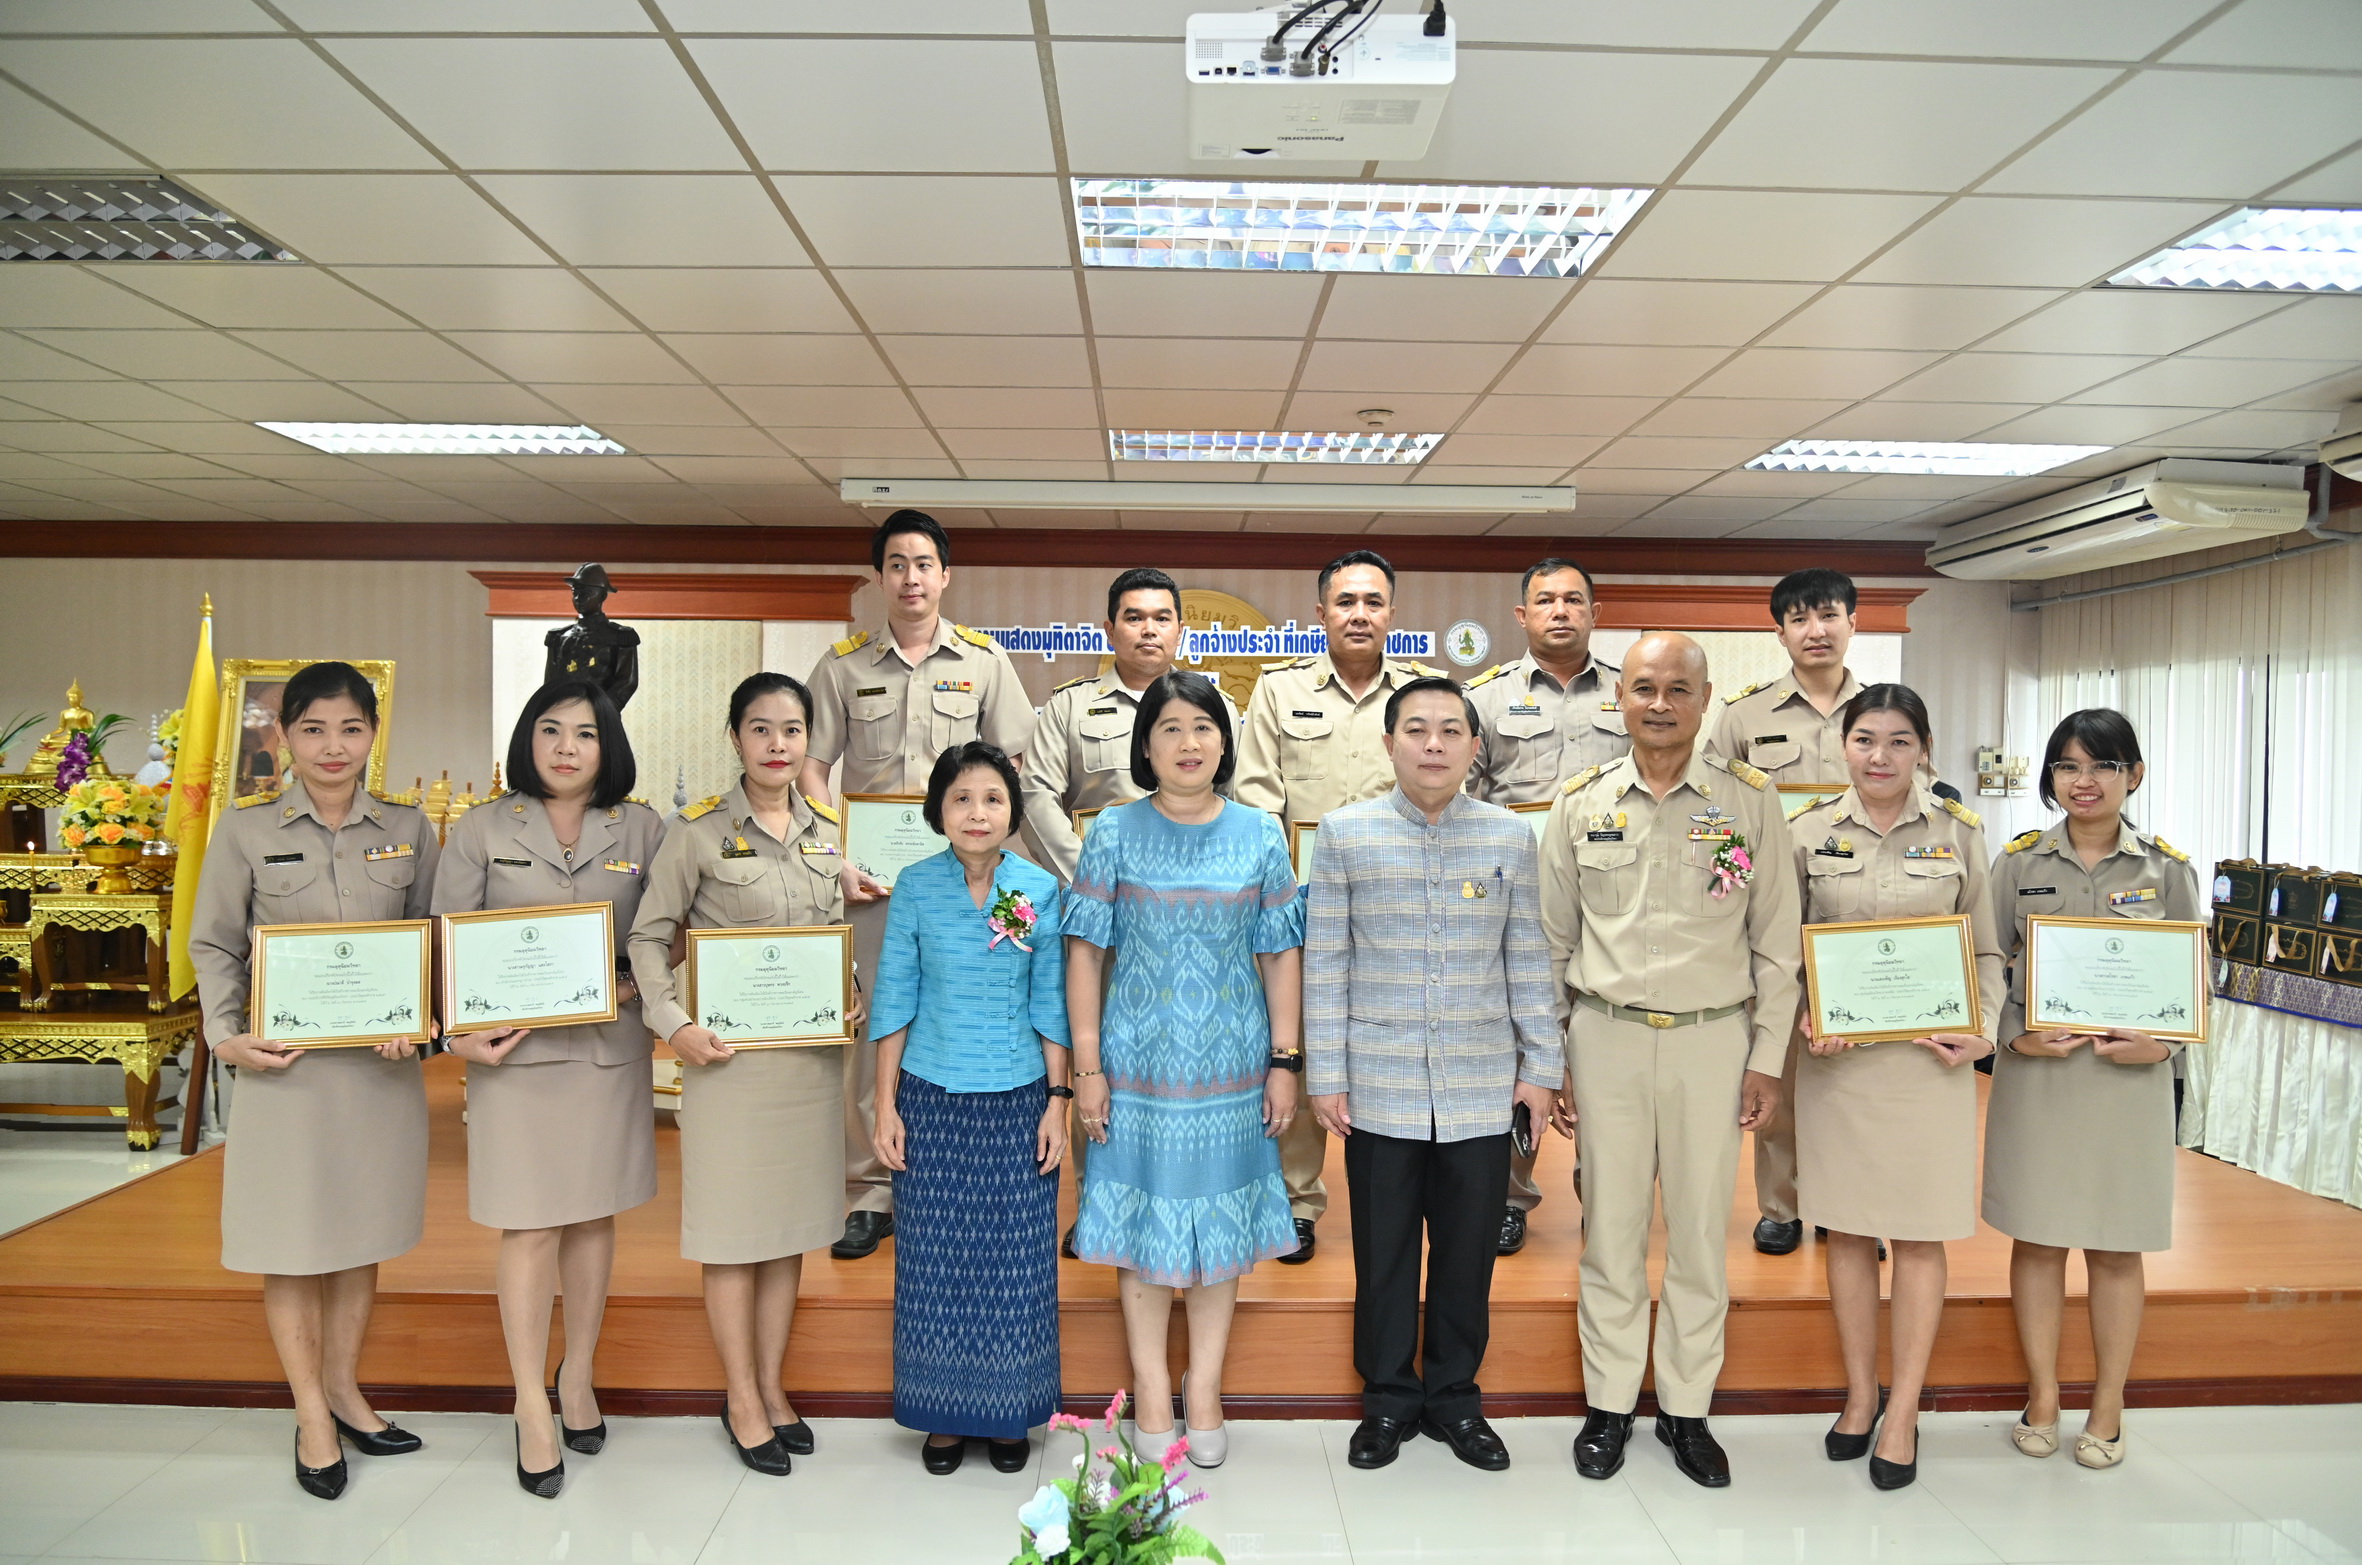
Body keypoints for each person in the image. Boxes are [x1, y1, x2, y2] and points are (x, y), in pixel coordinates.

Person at [1541, 632, 1800, 1490]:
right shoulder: (1579, 801)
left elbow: (1776, 944)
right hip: (1604, 1036)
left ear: (1704, 698)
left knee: (1697, 1233)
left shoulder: (1750, 801)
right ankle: (1609, 1403)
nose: (1659, 704)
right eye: (1644, 687)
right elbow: (1550, 943)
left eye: (1678, 689)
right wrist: (1554, 1056)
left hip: (1712, 1040)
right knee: (1609, 1230)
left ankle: (1687, 1409)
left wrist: (1767, 1057)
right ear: (1619, 698)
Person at [188, 660, 439, 1501]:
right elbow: (214, 942)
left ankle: (344, 1388)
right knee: (292, 1240)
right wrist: (226, 1033)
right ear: (285, 735)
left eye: (351, 728)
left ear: (373, 733)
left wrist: (419, 1019)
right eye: (314, 729)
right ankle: (311, 1415)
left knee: (359, 1233)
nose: (334, 746)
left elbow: (430, 936)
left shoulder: (409, 827)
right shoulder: (244, 829)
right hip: (284, 1073)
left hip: (376, 1073)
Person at [1306, 677, 1562, 1474]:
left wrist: (1542, 1067)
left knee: (1466, 1253)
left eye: (1452, 730)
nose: (1434, 743)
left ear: (1474, 747)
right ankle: (1387, 1397)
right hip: (1377, 1083)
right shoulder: (1344, 833)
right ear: (1388, 743)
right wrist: (1326, 1072)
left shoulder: (1510, 836)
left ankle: (1455, 1396)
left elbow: (1528, 957)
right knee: (1383, 1251)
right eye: (1416, 728)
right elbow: (1326, 962)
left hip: (1480, 1085)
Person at [432, 679, 664, 1498]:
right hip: (517, 1059)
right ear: (528, 737)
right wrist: (455, 1029)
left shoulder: (642, 826)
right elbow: (446, 940)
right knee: (529, 1224)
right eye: (552, 729)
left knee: (593, 1216)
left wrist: (630, 984)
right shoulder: (483, 827)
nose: (568, 747)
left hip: (606, 1053)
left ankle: (579, 1373)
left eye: (587, 733)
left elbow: (665, 931)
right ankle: (530, 1399)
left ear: (609, 746)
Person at [1067, 671, 1304, 1467]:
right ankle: (1150, 1387)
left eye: (1203, 727)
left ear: (1225, 743)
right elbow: (1084, 954)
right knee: (1142, 1230)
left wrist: (1284, 1059)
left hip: (1234, 1067)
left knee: (1221, 1231)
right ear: (1145, 745)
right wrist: (1088, 1068)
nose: (1189, 743)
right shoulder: (1113, 831)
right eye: (1169, 728)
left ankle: (1204, 1385)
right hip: (1136, 1066)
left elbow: (1280, 953)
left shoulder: (1261, 833)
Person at [629, 672, 862, 1478]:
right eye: (760, 728)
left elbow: (833, 931)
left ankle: (771, 1382)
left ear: (808, 741)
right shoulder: (695, 832)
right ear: (736, 737)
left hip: (807, 1066)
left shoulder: (828, 831)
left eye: (792, 730)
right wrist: (673, 1022)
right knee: (733, 1237)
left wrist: (848, 991)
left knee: (786, 1233)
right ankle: (741, 1397)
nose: (777, 744)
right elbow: (648, 936)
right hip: (727, 1066)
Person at [801, 509, 1035, 1260]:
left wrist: (986, 837)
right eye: (897, 564)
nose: (911, 577)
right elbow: (812, 768)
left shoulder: (986, 662)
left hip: (970, 878)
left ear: (945, 575)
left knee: (970, 1011)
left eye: (924, 563)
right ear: (880, 577)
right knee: (876, 1022)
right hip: (875, 886)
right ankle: (870, 1189)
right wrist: (834, 855)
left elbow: (1013, 767)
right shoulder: (842, 667)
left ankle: (944, 1167)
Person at [1786, 684, 2002, 1491]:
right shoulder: (1806, 832)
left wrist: (1984, 1027)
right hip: (1838, 1066)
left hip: (1928, 1064)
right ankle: (1858, 1393)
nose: (1880, 756)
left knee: (1917, 1234)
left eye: (1900, 741)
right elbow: (1783, 946)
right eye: (1866, 739)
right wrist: (1807, 1012)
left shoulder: (1958, 832)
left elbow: (1987, 949)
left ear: (1924, 748)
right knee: (1845, 1230)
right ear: (1843, 745)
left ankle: (1903, 1408)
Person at [1985, 709, 2198, 1471]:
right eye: (2069, 765)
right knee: (2038, 1238)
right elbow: (1985, 961)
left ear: (2133, 775)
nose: (2085, 781)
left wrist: (2162, 1044)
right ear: (2051, 776)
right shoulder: (2017, 862)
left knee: (2114, 1245)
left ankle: (2108, 1403)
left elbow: (2193, 981)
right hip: (2039, 1078)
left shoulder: (2165, 870)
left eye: (2103, 765)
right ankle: (2043, 1394)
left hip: (2125, 1084)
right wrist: (2015, 1035)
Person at [1018, 568, 1241, 1258]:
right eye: (1134, 616)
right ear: (1109, 627)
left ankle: (1190, 1193)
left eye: (1162, 617)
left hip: (1194, 919)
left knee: (1189, 1055)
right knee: (1102, 1055)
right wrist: (1096, 878)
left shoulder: (1215, 705)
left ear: (1181, 629)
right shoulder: (1070, 707)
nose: (1149, 629)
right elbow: (1036, 795)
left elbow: (1233, 803)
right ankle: (1101, 1202)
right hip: (1102, 913)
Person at [1233, 548, 1439, 1261]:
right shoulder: (1278, 690)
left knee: (1396, 1048)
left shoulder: (1423, 694)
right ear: (1320, 612)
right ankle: (1296, 1201)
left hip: (1400, 910)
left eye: (1373, 602)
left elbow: (1442, 790)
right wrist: (1283, 895)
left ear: (1392, 613)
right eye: (1345, 601)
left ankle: (1404, 1195)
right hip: (1299, 906)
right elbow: (1257, 801)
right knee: (1297, 1045)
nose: (1359, 614)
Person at [870, 741, 1070, 1476]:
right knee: (934, 1264)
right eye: (960, 798)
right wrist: (885, 1104)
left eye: (992, 798)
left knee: (1017, 1263)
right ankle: (944, 1416)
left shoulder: (1037, 888)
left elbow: (1051, 1002)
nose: (977, 812)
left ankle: (1010, 1412)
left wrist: (1057, 1101)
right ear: (938, 811)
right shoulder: (916, 886)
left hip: (1019, 1101)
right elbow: (895, 996)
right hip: (931, 1097)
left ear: (1012, 811)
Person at [1462, 556, 1625, 1255]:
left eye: (1574, 599)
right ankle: (1509, 1194)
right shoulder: (1485, 698)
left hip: (1615, 902)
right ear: (1521, 615)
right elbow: (1458, 798)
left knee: (1607, 1047)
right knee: (1516, 1049)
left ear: (1595, 612)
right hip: (1516, 901)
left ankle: (1606, 1196)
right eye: (1546, 600)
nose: (1561, 611)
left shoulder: (1632, 691)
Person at [1711, 566, 1873, 1258]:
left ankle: (1853, 1204)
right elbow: (1715, 816)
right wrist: (1727, 901)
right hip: (1773, 920)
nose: (1816, 630)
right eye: (1800, 618)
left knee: (1860, 1079)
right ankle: (1780, 1205)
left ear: (1852, 623)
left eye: (1829, 615)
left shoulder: (1885, 712)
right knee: (1777, 1063)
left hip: (1861, 921)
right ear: (1779, 632)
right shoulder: (1744, 717)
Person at [542, 563, 640, 710]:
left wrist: (601, 711)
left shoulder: (620, 636)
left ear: (602, 596)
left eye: (585, 593)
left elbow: (626, 682)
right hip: (564, 713)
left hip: (602, 714)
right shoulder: (559, 637)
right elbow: (550, 682)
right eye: (575, 593)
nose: (578, 598)